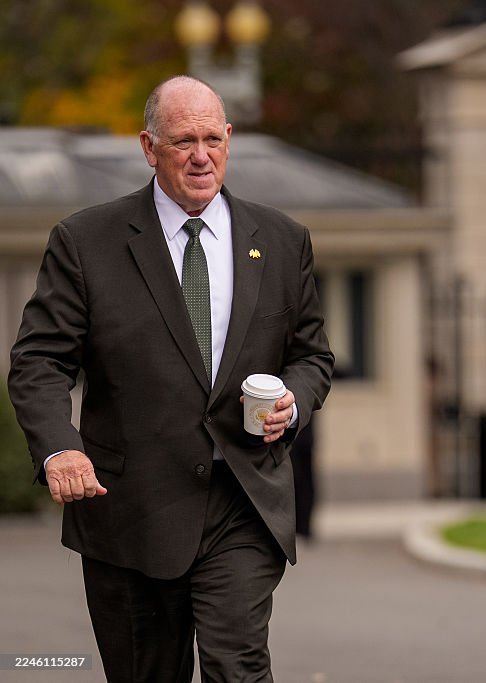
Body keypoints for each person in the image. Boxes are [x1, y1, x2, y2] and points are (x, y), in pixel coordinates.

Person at [7, 75, 334, 682]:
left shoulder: (284, 242)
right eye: (184, 140)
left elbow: (312, 355)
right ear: (148, 146)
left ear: (230, 139)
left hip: (243, 498)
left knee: (237, 665)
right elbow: (39, 360)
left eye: (213, 138)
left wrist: (297, 399)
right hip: (131, 512)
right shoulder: (85, 242)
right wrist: (59, 444)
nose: (201, 155)